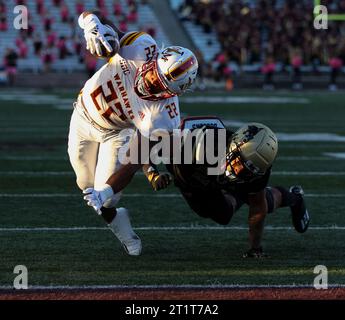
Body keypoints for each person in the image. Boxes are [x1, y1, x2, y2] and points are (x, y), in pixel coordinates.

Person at [68, 11, 198, 256]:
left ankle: (124, 232)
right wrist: (93, 26)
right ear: (156, 58)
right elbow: (108, 33)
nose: (150, 81)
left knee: (104, 200)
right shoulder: (142, 46)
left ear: (174, 93)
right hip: (82, 116)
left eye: (160, 85)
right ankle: (116, 216)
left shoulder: (164, 118)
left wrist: (106, 191)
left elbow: (134, 162)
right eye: (154, 73)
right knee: (83, 183)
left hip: (115, 134)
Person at [143, 118, 311, 258]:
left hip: (211, 177)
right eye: (240, 163)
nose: (240, 172)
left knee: (260, 199)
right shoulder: (196, 142)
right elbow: (144, 146)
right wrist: (153, 174)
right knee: (220, 215)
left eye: (249, 170)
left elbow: (258, 210)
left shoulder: (255, 172)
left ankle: (295, 198)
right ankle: (237, 195)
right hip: (191, 175)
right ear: (235, 145)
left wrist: (255, 248)